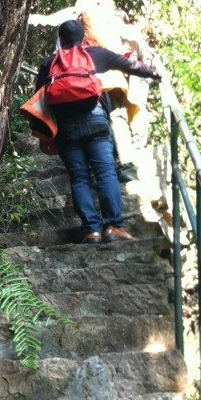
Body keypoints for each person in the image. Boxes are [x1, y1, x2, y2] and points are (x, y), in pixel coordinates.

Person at [35, 20, 160, 244]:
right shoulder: (95, 54)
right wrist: (154, 72)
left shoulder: (49, 63)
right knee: (105, 173)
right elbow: (130, 66)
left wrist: (44, 135)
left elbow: (39, 101)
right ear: (83, 38)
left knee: (79, 178)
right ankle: (113, 227)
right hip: (95, 121)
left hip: (65, 129)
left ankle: (91, 229)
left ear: (61, 40)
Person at [30, 0, 155, 181]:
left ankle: (92, 168)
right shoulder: (109, 17)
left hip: (76, 84)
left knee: (84, 124)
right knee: (115, 119)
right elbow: (134, 39)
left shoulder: (72, 17)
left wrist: (27, 18)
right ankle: (124, 167)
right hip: (110, 80)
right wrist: (146, 59)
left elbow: (47, 22)